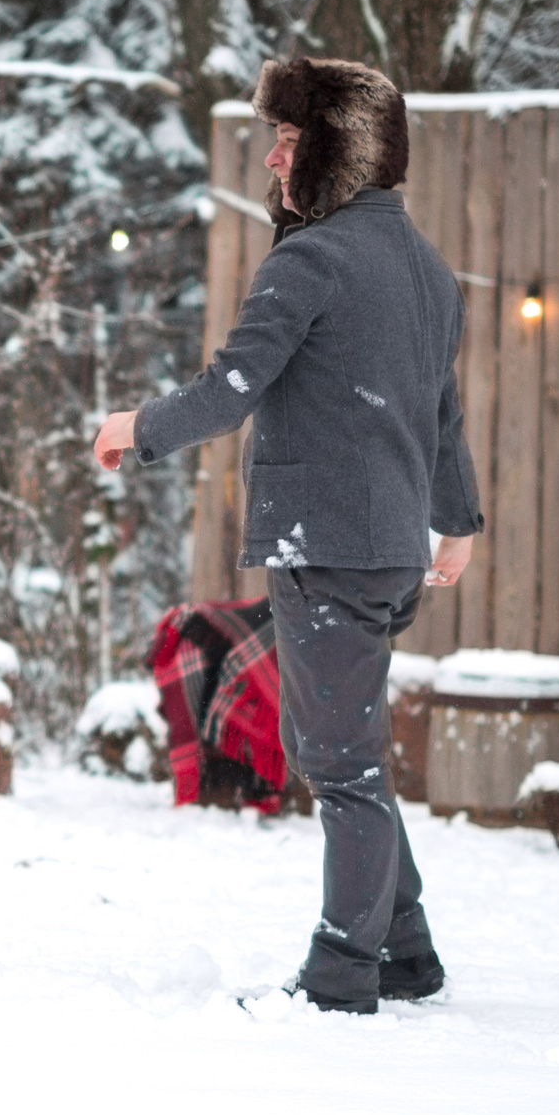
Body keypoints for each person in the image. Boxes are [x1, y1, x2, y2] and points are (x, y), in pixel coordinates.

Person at [94, 56, 482, 1015]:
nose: (272, 158)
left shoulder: (313, 259)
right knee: (340, 749)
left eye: (289, 139)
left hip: (326, 545)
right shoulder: (430, 272)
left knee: (340, 765)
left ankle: (343, 971)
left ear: (338, 151)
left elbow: (230, 387)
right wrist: (459, 522)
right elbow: (443, 415)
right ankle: (407, 950)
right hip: (388, 549)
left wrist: (135, 427)